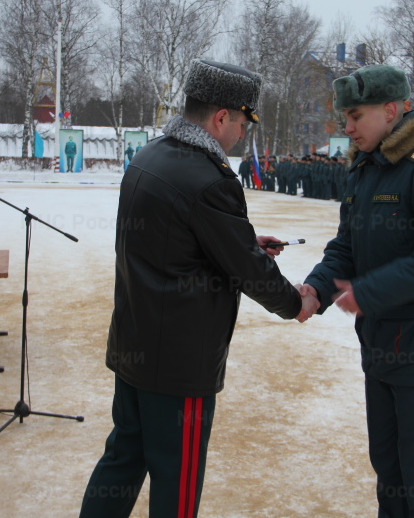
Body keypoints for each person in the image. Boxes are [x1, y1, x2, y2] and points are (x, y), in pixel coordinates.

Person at [79, 60, 319, 518]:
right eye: (243, 124)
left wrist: (242, 241)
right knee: (178, 479)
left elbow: (175, 239)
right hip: (178, 364)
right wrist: (296, 302)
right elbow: (246, 269)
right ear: (221, 117)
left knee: (123, 460)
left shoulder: (151, 156)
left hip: (136, 346)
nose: (242, 135)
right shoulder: (210, 177)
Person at [300, 65, 414, 517]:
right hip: (380, 342)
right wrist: (315, 289)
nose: (347, 128)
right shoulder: (365, 171)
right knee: (390, 466)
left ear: (391, 110)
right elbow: (346, 247)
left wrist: (369, 292)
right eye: (344, 119)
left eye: (355, 116)